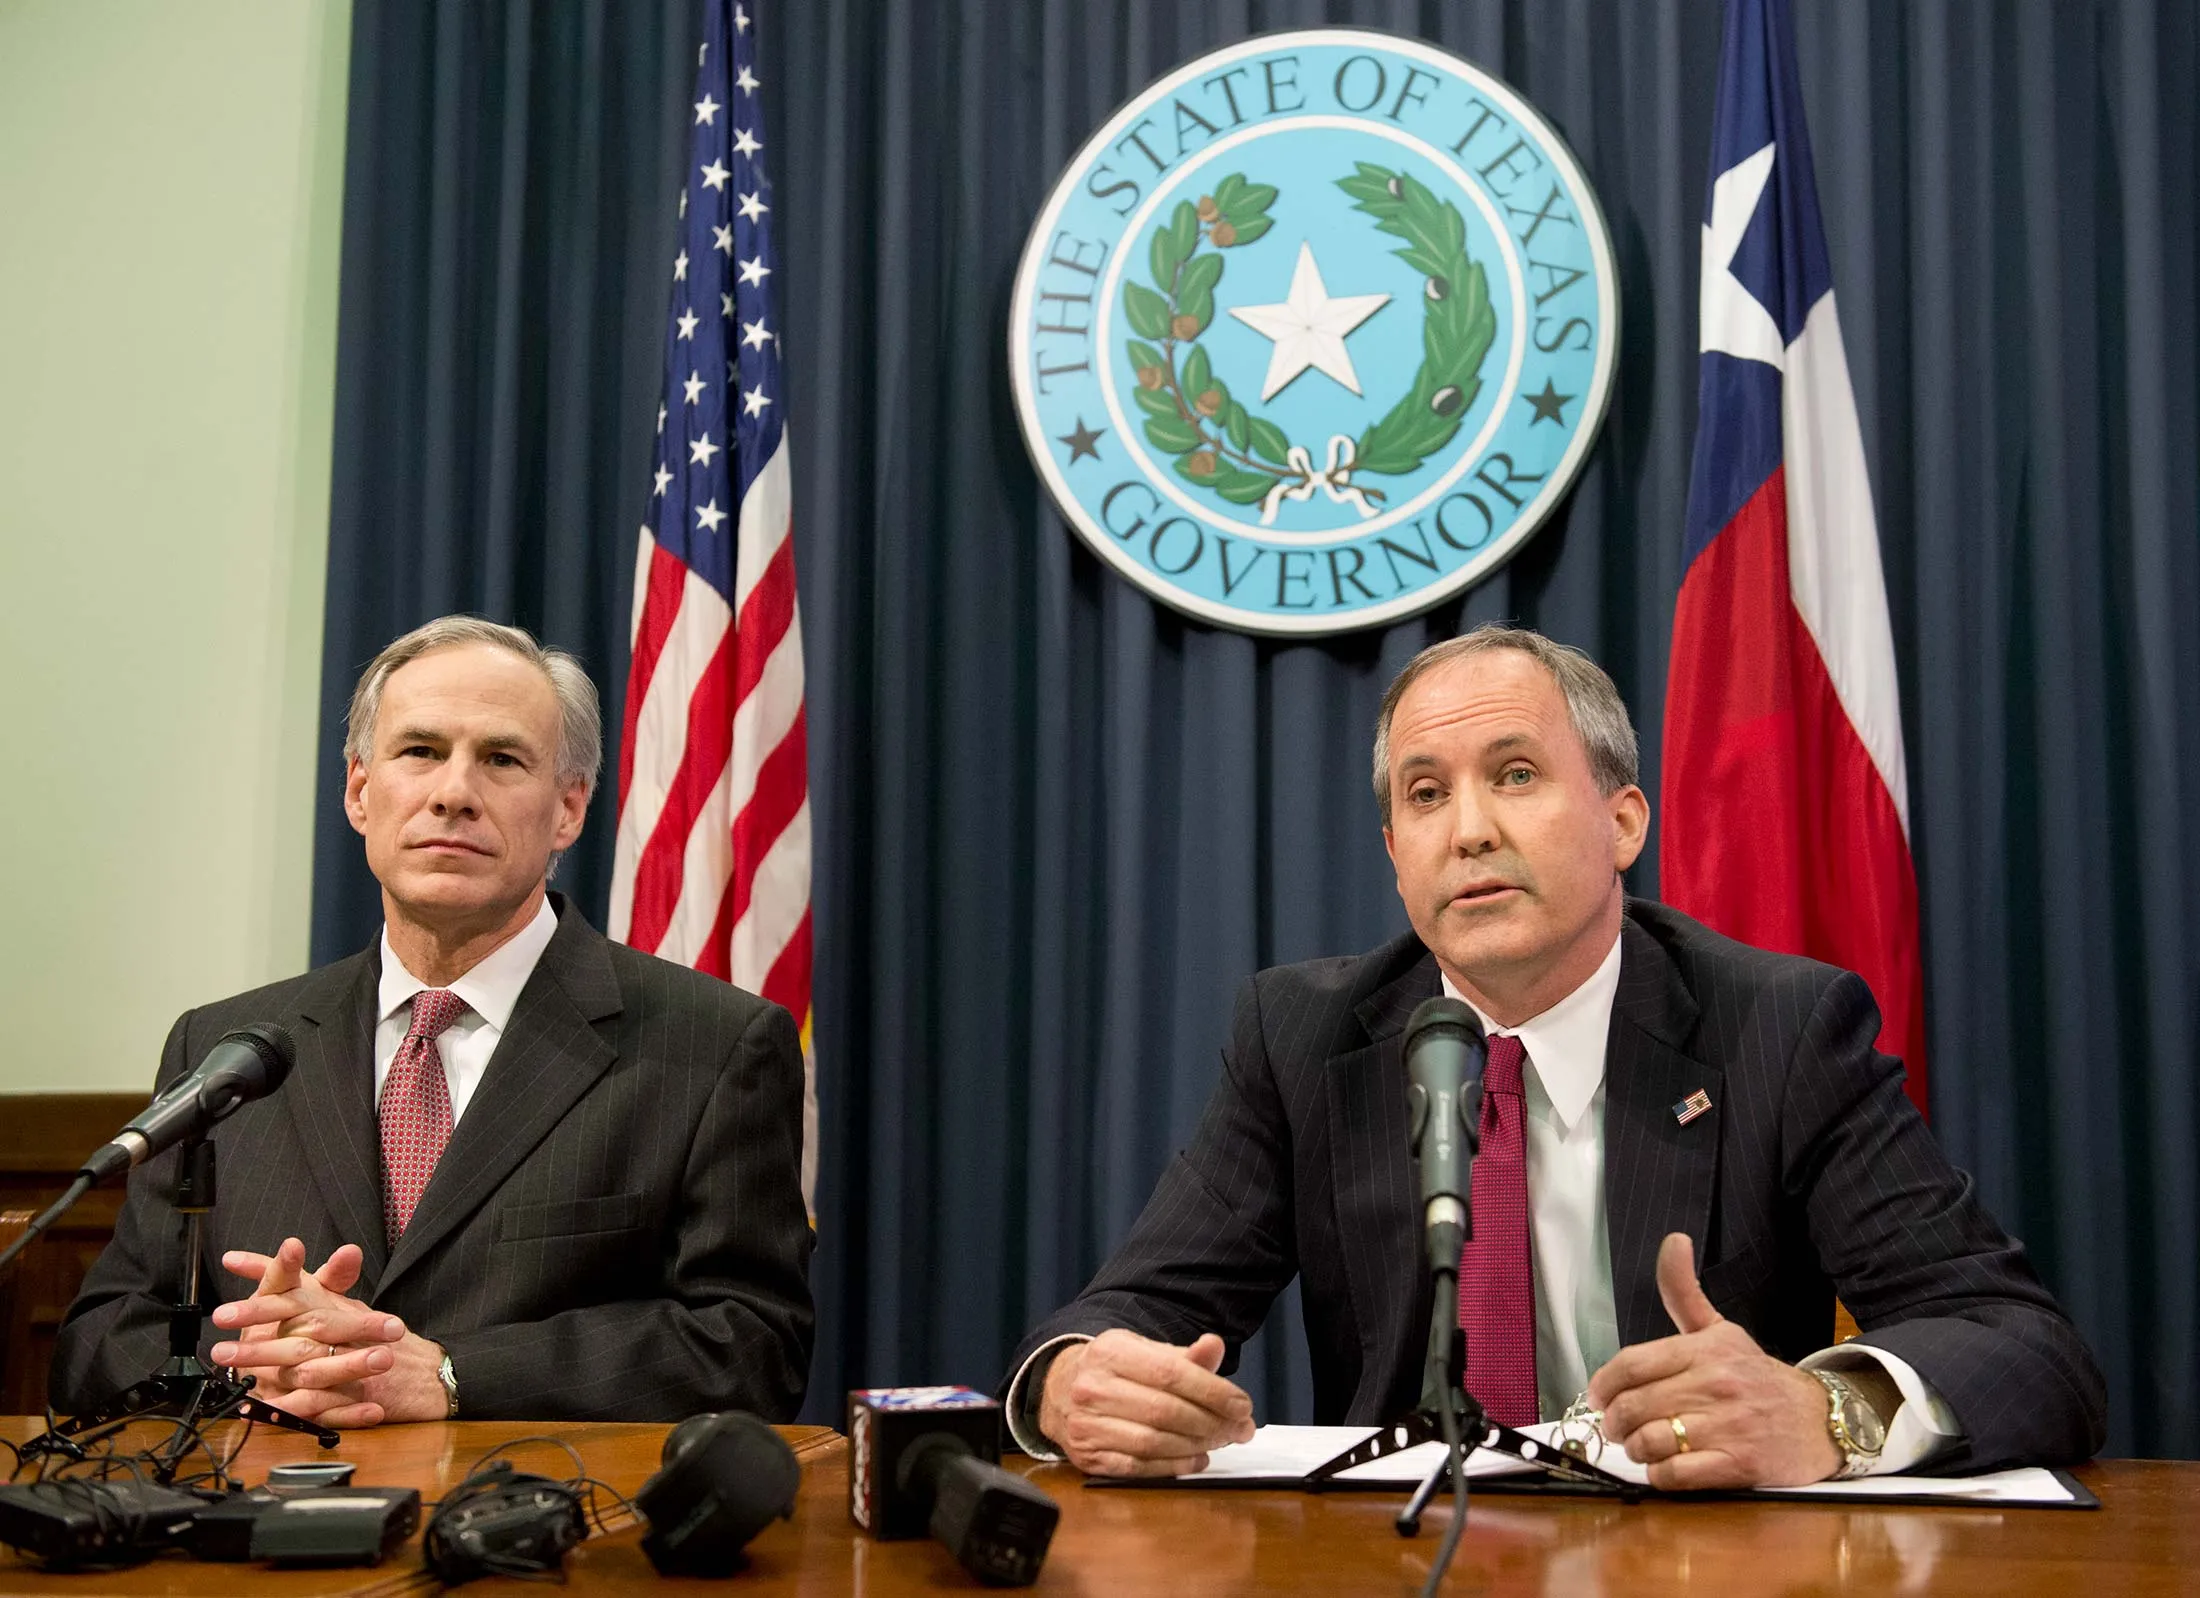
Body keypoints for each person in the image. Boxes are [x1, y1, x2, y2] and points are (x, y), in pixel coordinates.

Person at [1004, 625, 2105, 1486]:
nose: (1469, 830)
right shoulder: (1304, 1037)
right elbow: (1123, 1314)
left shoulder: (1778, 1028)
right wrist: (1074, 1386)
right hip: (1399, 1563)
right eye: (1425, 795)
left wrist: (1826, 1414)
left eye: (1517, 773)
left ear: (1623, 822)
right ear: (1394, 854)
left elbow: (2025, 1347)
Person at [52, 616, 813, 1425]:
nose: (453, 793)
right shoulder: (223, 1050)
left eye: (502, 759)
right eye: (419, 751)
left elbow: (751, 1347)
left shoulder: (714, 1046)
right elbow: (100, 1339)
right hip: (263, 1497)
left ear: (568, 809)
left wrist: (453, 1374)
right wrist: (255, 1365)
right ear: (359, 791)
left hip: (540, 1501)